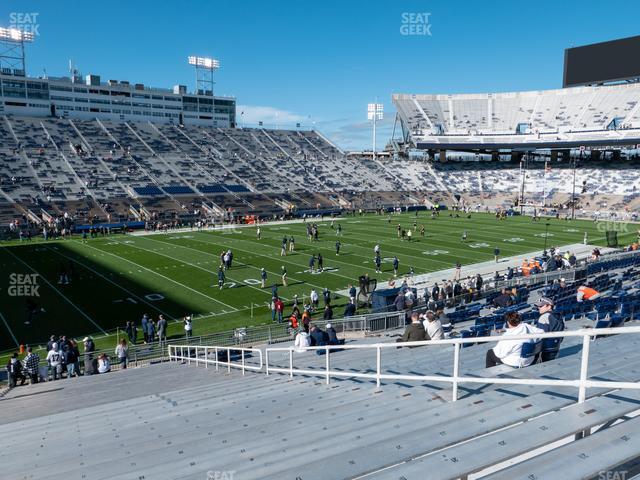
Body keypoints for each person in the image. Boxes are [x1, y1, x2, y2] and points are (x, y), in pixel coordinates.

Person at [534, 297, 565, 362]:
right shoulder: (558, 315)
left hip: (544, 351)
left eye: (541, 306)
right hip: (555, 348)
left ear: (549, 306)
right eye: (538, 306)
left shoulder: (544, 317)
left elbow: (539, 337)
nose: (539, 308)